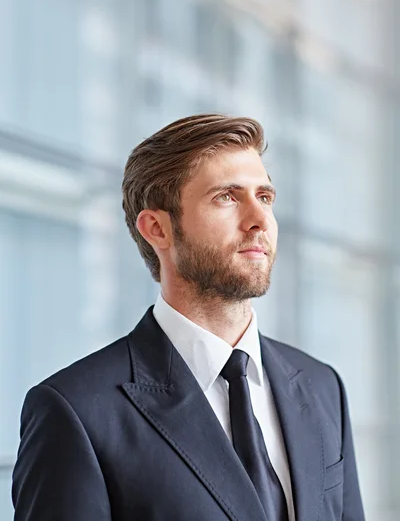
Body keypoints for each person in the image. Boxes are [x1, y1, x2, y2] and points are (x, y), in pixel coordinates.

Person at [12, 114, 365, 521]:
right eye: (227, 197)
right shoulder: (75, 412)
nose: (259, 220)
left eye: (265, 197)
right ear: (157, 229)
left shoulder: (323, 387)